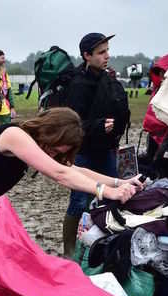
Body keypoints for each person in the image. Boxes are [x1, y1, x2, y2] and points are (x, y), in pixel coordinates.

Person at [0, 107, 142, 207]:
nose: (58, 154)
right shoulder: (14, 135)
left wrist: (119, 183)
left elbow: (73, 169)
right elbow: (61, 174)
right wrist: (107, 192)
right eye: (59, 147)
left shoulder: (38, 146)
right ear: (51, 132)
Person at [61, 32, 130, 257]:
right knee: (79, 201)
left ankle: (107, 245)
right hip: (83, 153)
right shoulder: (78, 84)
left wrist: (116, 125)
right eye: (101, 52)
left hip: (107, 150)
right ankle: (70, 252)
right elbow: (73, 123)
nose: (107, 56)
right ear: (87, 55)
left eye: (108, 51)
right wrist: (98, 126)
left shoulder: (109, 79)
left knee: (113, 195)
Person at [141, 54, 168, 181]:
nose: (162, 76)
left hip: (166, 138)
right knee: (153, 168)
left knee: (163, 169)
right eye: (160, 72)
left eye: (165, 72)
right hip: (153, 136)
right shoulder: (157, 89)